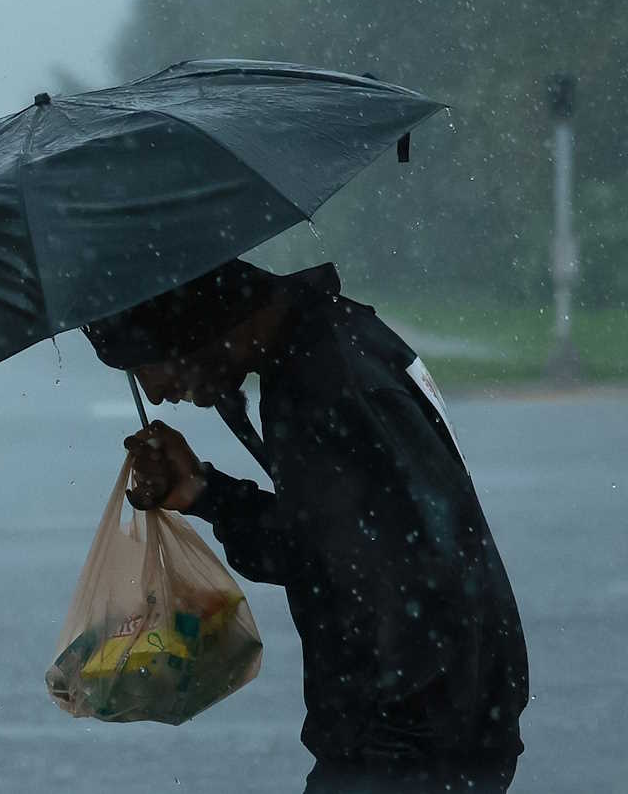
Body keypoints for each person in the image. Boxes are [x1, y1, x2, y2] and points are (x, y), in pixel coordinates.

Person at [83, 259, 529, 794]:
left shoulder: (326, 387)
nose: (153, 392)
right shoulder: (329, 345)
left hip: (411, 741)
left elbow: (395, 581)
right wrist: (205, 492)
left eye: (145, 363)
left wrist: (388, 753)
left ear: (192, 324)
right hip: (434, 728)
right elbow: (330, 548)